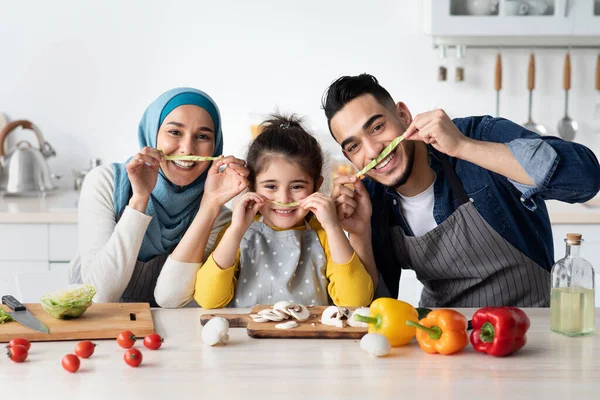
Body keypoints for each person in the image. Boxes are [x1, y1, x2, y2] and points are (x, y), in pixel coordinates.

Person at [325, 73, 600, 307]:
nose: (372, 150)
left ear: (403, 115)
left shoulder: (478, 135)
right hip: (443, 338)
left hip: (531, 332)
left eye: (377, 127)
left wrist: (462, 147)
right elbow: (374, 309)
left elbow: (586, 179)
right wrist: (358, 233)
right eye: (354, 146)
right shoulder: (372, 199)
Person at [69, 87, 249, 307]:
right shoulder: (104, 183)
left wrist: (209, 205)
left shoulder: (218, 214)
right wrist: (139, 199)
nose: (187, 148)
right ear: (152, 133)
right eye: (174, 132)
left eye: (202, 136)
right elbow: (100, 295)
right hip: (91, 322)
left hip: (169, 332)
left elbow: (171, 299)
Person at [192, 115, 374, 309]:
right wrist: (236, 231)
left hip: (312, 338)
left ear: (316, 186)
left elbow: (356, 302)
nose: (284, 199)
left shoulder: (325, 234)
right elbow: (208, 299)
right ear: (252, 186)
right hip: (248, 338)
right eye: (270, 186)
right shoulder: (236, 232)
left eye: (297, 186)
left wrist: (333, 227)